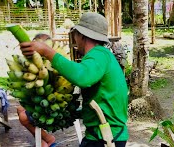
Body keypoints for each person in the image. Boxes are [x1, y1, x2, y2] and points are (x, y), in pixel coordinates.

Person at [19, 12, 129, 147]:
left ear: (81, 35)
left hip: (105, 138)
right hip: (104, 135)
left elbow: (82, 77)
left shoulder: (99, 55)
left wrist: (47, 52)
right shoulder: (102, 56)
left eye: (75, 35)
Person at [16, 33, 56, 147]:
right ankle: (41, 139)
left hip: (49, 102)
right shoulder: (32, 65)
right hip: (36, 101)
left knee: (23, 117)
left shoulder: (50, 65)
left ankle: (49, 139)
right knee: (19, 108)